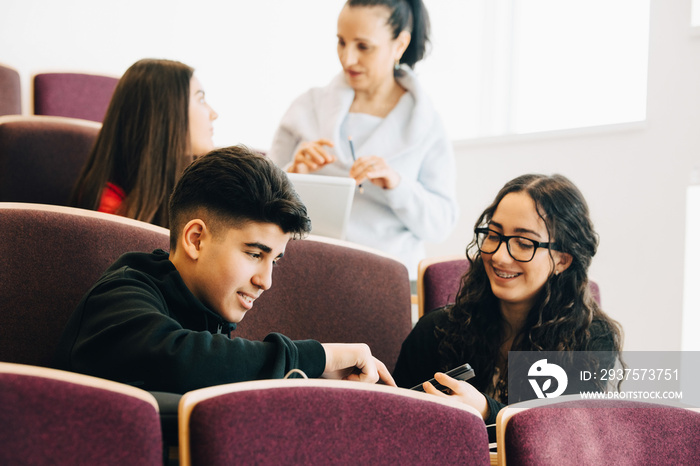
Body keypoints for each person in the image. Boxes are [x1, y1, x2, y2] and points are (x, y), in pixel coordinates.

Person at [54, 146, 395, 393]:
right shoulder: (120, 296)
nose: (266, 281)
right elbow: (183, 360)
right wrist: (319, 357)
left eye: (274, 260)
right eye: (254, 254)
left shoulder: (206, 317)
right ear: (196, 239)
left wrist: (313, 376)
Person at [392, 174, 623, 424]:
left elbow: (560, 439)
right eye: (493, 235)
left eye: (524, 243)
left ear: (562, 260)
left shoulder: (589, 340)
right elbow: (395, 426)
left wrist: (487, 411)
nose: (500, 256)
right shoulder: (435, 331)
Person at [267, 0, 458, 280]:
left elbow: (440, 224)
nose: (348, 58)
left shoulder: (426, 126)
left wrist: (397, 184)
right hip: (303, 272)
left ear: (400, 45)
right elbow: (257, 201)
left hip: (384, 280)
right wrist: (292, 173)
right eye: (341, 42)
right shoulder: (307, 107)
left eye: (363, 46)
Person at [70, 58, 218, 228]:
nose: (214, 114)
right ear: (167, 115)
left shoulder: (199, 185)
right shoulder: (111, 210)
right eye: (200, 99)